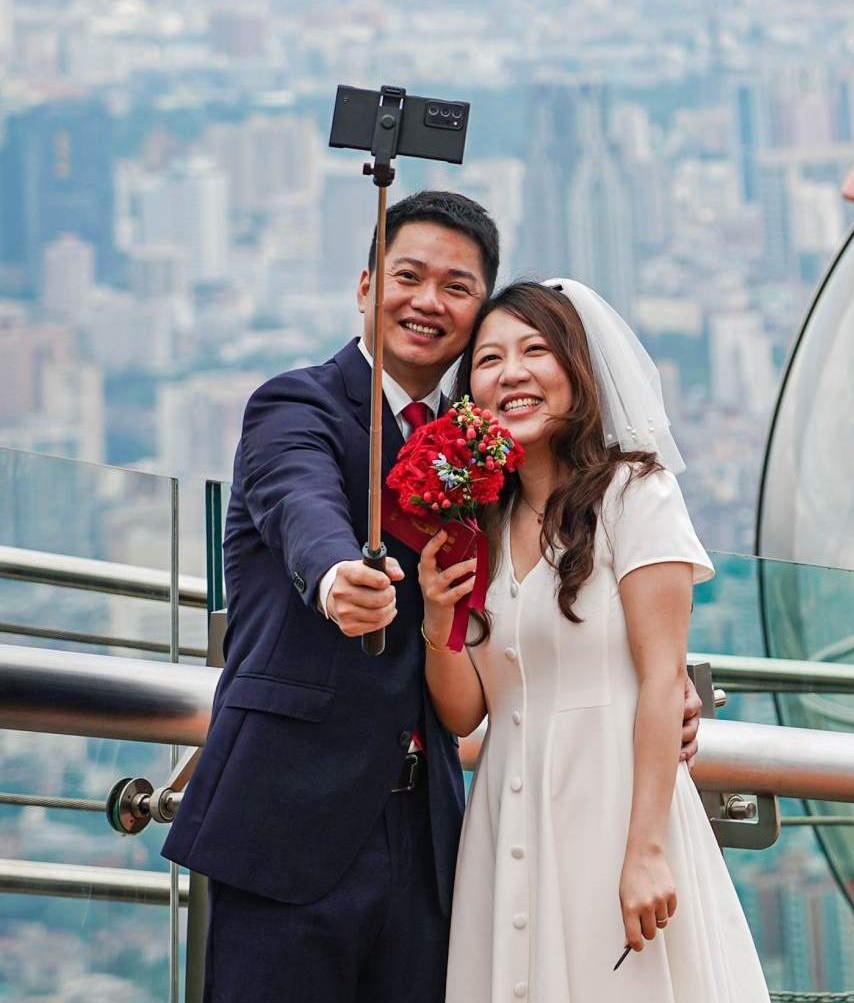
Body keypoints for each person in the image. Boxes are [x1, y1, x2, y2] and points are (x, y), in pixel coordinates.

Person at [162, 192, 704, 1003]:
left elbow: (571, 592)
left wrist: (654, 687)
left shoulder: (494, 447)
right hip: (292, 817)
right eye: (407, 276)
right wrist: (339, 575)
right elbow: (298, 503)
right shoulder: (295, 404)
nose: (428, 301)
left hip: (437, 834)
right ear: (364, 286)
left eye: (457, 287)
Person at [421, 279, 770, 1003]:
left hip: (613, 808)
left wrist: (645, 850)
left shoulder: (635, 495)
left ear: (578, 372)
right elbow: (464, 714)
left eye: (534, 351)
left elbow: (661, 678)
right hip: (506, 812)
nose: (510, 372)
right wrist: (435, 617)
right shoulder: (478, 522)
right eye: (489, 359)